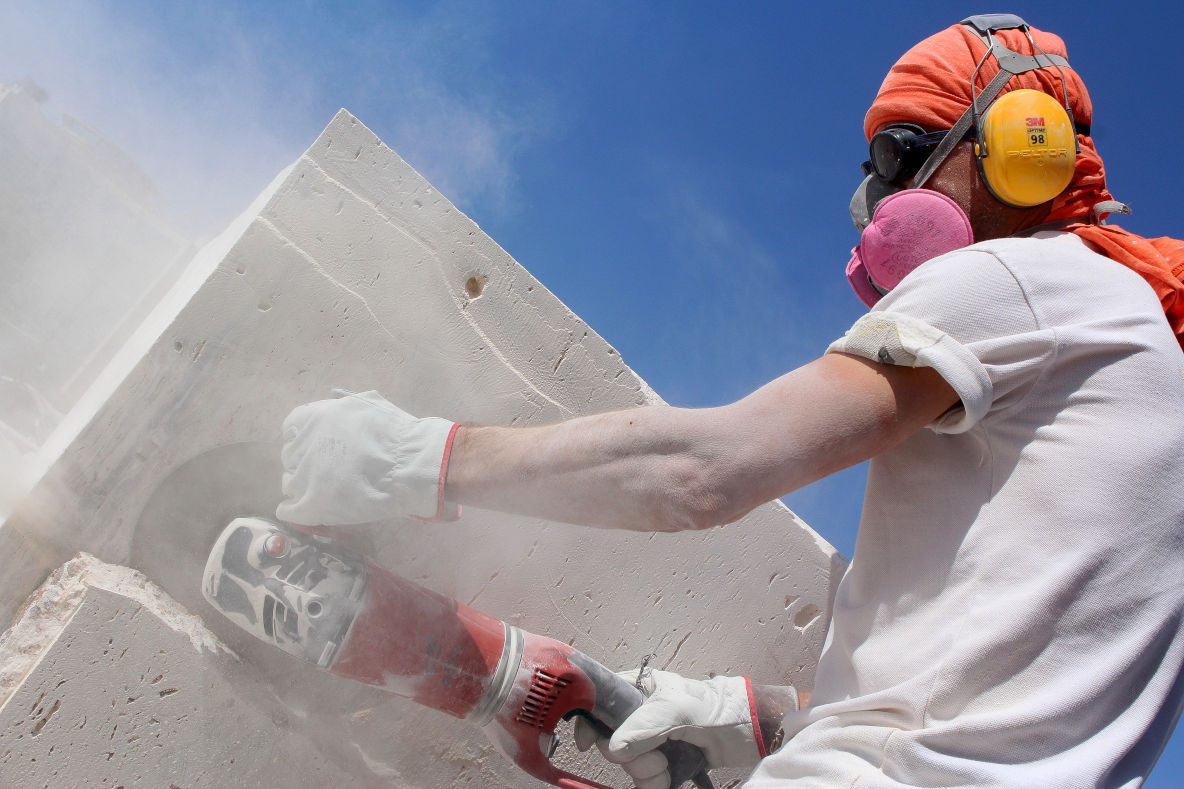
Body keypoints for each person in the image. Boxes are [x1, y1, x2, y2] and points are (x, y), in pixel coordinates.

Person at [275, 15, 1184, 788]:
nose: (886, 201)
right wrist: (753, 713)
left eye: (904, 156)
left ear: (1027, 144)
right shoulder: (1140, 368)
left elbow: (698, 473)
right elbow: (996, 704)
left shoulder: (1023, 280)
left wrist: (419, 456)